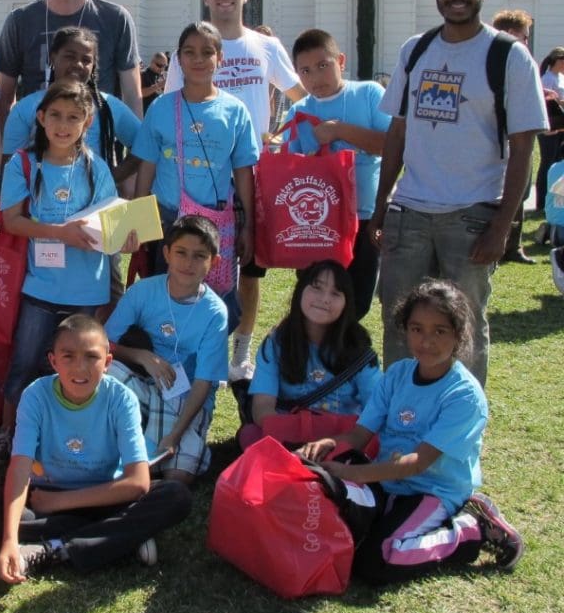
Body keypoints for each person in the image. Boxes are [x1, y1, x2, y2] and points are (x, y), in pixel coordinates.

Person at [369, 0, 547, 387]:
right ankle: (402, 422)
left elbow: (524, 146)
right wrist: (380, 206)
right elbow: (397, 133)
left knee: (464, 326)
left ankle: (458, 431)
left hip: (471, 215)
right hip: (408, 213)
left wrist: (502, 224)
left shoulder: (508, 55)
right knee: (400, 323)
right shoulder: (417, 50)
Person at [302, 279, 524, 584]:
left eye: (440, 331)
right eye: (417, 329)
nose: (426, 341)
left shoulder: (464, 395)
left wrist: (351, 475)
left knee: (377, 562)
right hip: (386, 480)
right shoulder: (397, 374)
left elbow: (418, 464)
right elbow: (358, 436)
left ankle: (470, 531)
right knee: (337, 535)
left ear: (459, 335)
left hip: (432, 489)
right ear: (405, 330)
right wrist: (326, 444)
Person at [163, 0, 305, 379]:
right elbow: (172, 109)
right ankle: (198, 343)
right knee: (196, 262)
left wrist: (282, 138)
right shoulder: (190, 49)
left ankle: (240, 351)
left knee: (248, 266)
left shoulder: (265, 47)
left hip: (251, 175)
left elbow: (301, 99)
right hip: (198, 181)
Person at [0, 314, 192, 580]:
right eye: (68, 356)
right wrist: (9, 540)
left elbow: (138, 482)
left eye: (91, 357)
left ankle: (55, 547)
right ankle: (119, 537)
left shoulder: (122, 399)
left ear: (108, 362)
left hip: (105, 497)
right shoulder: (35, 396)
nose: (80, 368)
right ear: (53, 361)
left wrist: (60, 502)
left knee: (176, 496)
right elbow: (19, 469)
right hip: (45, 496)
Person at [0, 79, 134, 466]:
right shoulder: (24, 163)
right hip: (41, 288)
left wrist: (125, 238)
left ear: (88, 122)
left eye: (74, 117)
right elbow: (12, 221)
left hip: (89, 292)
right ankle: (7, 435)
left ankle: (67, 438)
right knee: (26, 364)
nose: (64, 125)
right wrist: (59, 233)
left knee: (79, 367)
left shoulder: (95, 166)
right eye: (56, 116)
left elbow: (108, 225)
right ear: (41, 117)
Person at [133, 21, 259, 305]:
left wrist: (249, 225)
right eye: (189, 52)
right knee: (162, 300)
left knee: (212, 301)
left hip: (214, 224)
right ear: (178, 59)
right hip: (166, 220)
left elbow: (243, 172)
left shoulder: (235, 111)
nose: (198, 59)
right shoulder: (162, 107)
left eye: (207, 52)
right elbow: (147, 167)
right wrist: (138, 221)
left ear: (220, 58)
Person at [105, 215, 230, 485]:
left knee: (177, 478)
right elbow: (103, 345)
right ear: (166, 254)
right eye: (181, 253)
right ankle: (127, 453)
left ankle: (146, 468)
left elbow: (204, 383)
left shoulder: (215, 312)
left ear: (214, 262)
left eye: (199, 256)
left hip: (187, 402)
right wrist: (141, 356)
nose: (188, 263)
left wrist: (176, 434)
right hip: (144, 386)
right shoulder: (143, 291)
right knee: (107, 371)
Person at [285, 29, 391, 317]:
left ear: (340, 61)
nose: (316, 78)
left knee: (357, 299)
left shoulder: (368, 94)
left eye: (323, 66)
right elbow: (288, 173)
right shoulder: (297, 113)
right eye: (305, 71)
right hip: (316, 223)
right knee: (316, 300)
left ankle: (347, 355)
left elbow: (391, 146)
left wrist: (339, 131)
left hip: (365, 217)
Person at [0, 0, 143, 134]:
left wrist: (135, 160)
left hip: (96, 149)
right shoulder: (20, 21)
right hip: (34, 151)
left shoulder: (116, 19)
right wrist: (6, 155)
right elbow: (4, 100)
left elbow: (133, 96)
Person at [245, 260, 379, 439]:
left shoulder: (359, 350)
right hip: (287, 435)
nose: (324, 299)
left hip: (340, 440)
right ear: (300, 291)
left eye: (335, 293)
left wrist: (333, 442)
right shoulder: (277, 342)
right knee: (250, 435)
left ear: (346, 303)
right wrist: (293, 434)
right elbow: (262, 407)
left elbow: (377, 409)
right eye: (317, 287)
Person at [1, 26, 140, 185]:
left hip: (96, 205)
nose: (78, 64)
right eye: (70, 56)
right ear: (53, 57)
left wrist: (112, 178)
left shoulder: (108, 107)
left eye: (86, 60)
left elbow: (145, 144)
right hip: (39, 204)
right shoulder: (25, 109)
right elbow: (9, 168)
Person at [492, 10, 537, 263]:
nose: (526, 42)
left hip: (519, 143)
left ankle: (513, 245)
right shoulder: (493, 61)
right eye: (524, 36)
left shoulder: (523, 63)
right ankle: (503, 242)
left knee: (520, 194)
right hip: (500, 145)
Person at [536, 46, 564, 212]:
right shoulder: (547, 79)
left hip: (560, 126)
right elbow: (547, 103)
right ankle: (541, 202)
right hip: (549, 127)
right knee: (547, 163)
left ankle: (555, 200)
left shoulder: (560, 77)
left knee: (557, 163)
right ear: (559, 61)